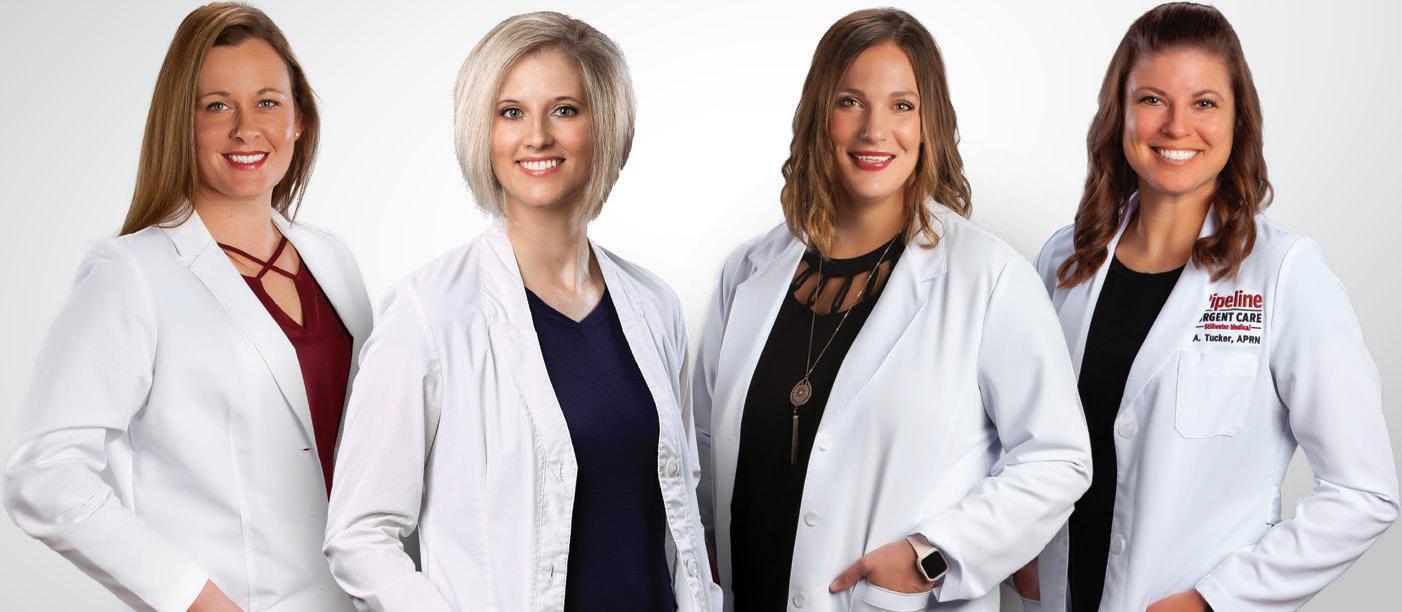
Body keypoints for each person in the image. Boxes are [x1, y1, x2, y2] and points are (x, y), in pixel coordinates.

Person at [694, 8, 1092, 612]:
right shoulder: (748, 272)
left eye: (902, 105)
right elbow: (704, 440)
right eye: (850, 102)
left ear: (930, 123)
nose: (874, 130)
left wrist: (932, 555)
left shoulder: (988, 278)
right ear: (818, 115)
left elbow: (1058, 458)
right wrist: (703, 544)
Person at [322, 11, 721, 612]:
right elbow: (359, 534)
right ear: (481, 132)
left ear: (605, 125)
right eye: (510, 112)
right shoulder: (429, 313)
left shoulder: (654, 306)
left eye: (564, 110)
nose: (537, 137)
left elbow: (680, 496)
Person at [1022, 3, 1399, 611]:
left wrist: (1213, 601)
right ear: (1120, 112)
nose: (1177, 126)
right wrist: (1020, 555)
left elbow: (1364, 492)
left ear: (1237, 120)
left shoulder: (1285, 273)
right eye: (1152, 99)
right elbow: (1024, 437)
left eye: (1204, 103)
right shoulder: (1064, 261)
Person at [2, 3, 370, 610]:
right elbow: (43, 476)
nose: (246, 129)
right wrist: (196, 599)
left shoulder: (333, 261)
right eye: (217, 106)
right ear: (181, 122)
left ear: (299, 119)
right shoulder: (132, 275)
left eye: (268, 102)